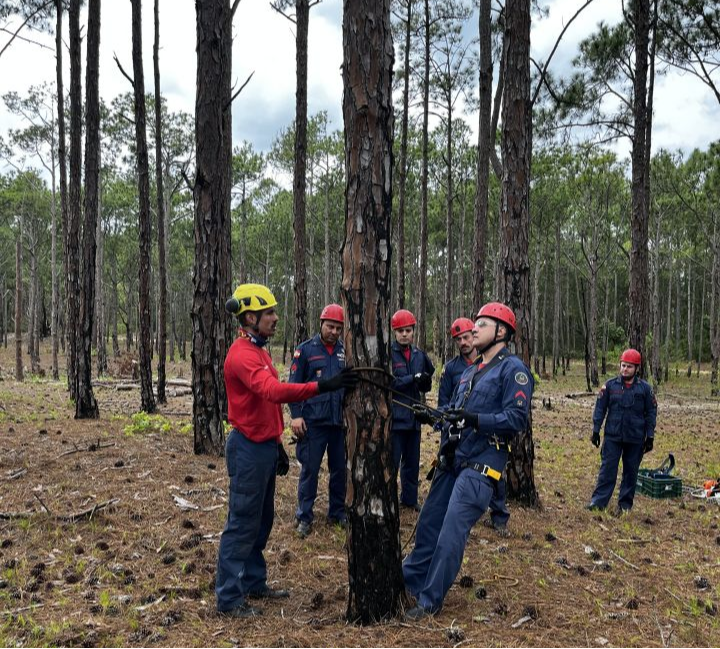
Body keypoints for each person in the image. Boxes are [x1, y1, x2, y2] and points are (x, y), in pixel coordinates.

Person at [216, 284, 358, 618]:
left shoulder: (261, 351)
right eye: (269, 314)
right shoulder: (242, 355)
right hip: (247, 448)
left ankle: (253, 581)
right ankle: (228, 598)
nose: (275, 318)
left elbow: (265, 406)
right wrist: (322, 386)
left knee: (261, 520)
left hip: (264, 446)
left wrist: (277, 442)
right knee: (242, 522)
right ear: (250, 317)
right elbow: (273, 391)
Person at [403, 302, 533, 620]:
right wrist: (431, 417)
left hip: (481, 465)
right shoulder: (469, 372)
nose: (474, 329)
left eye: (483, 324)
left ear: (501, 332)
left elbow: (515, 419)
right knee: (428, 527)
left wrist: (474, 419)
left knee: (450, 534)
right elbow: (454, 415)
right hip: (452, 460)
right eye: (475, 324)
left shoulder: (513, 370)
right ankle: (405, 582)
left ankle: (429, 601)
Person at [436, 317, 510, 534]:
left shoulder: (497, 365)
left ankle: (499, 514)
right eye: (458, 339)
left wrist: (476, 420)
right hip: (457, 434)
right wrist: (439, 418)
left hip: (486, 438)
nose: (463, 342)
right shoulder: (452, 368)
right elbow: (446, 403)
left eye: (466, 336)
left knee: (494, 476)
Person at [288, 304, 348, 538]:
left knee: (340, 470)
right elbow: (293, 386)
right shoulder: (305, 351)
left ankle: (337, 512)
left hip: (338, 422)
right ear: (321, 324)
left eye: (338, 328)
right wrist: (296, 415)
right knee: (310, 470)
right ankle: (304, 515)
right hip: (313, 422)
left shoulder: (346, 351)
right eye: (330, 326)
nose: (334, 332)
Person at [586, 348, 657, 515]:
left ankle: (625, 505)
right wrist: (596, 430)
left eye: (629, 367)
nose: (625, 369)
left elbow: (651, 413)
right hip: (613, 436)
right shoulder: (610, 386)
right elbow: (600, 409)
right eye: (623, 365)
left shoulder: (645, 389)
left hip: (635, 438)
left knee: (630, 472)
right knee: (607, 469)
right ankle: (598, 502)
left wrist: (650, 436)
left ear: (637, 369)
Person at [390, 309, 435, 512]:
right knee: (392, 462)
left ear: (413, 331)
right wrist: (412, 378)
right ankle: (389, 497)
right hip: (396, 418)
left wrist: (424, 382)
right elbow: (390, 382)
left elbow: (426, 381)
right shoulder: (389, 354)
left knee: (412, 462)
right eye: (400, 331)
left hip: (415, 418)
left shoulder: (419, 355)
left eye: (408, 330)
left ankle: (409, 498)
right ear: (394, 332)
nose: (404, 334)